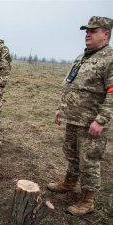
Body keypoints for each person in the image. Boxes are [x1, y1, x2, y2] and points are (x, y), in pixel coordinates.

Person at [47, 16, 113, 216]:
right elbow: (70, 84)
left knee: (89, 160)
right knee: (72, 154)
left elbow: (112, 91)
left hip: (91, 123)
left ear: (106, 34)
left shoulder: (109, 59)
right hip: (74, 118)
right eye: (86, 30)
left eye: (93, 31)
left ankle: (87, 200)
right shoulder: (83, 57)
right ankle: (69, 182)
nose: (88, 34)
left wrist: (100, 120)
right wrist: (61, 109)